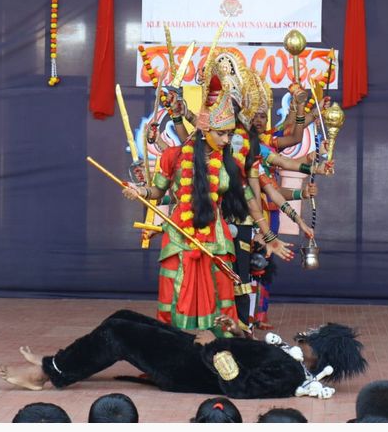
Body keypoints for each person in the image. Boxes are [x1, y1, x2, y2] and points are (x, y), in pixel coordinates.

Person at [122, 72, 291, 334]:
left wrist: (269, 237)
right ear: (206, 130)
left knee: (223, 300)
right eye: (222, 134)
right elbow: (157, 190)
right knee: (172, 298)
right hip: (179, 236)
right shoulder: (173, 157)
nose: (226, 141)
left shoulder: (229, 161)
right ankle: (171, 352)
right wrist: (140, 192)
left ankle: (223, 354)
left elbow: (250, 201)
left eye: (229, 134)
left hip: (217, 238)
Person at [0, 308, 367, 399]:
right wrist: (237, 333)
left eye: (312, 338)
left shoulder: (291, 374)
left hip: (187, 368)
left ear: (319, 354)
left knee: (118, 333)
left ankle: (48, 372)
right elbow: (251, 357)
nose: (305, 336)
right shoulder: (290, 360)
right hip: (195, 353)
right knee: (123, 317)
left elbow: (238, 388)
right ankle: (63, 362)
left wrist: (213, 346)